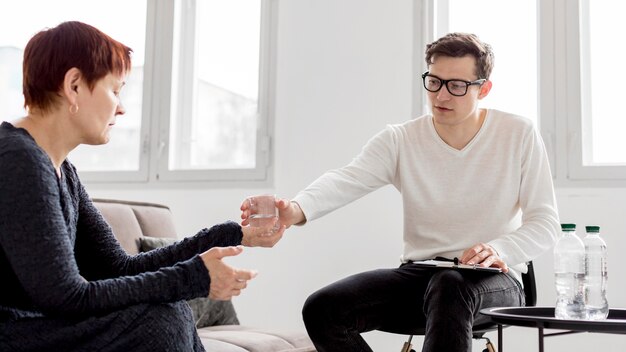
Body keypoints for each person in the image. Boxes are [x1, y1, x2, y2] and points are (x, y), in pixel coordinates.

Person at [241, 32, 560, 351]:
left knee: (451, 285)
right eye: (434, 82)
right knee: (322, 309)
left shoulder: (518, 133)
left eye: (457, 86)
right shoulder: (401, 139)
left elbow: (546, 223)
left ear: (484, 89)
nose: (441, 96)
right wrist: (294, 210)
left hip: (493, 280)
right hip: (422, 274)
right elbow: (346, 179)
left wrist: (499, 249)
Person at [0, 21, 285, 352]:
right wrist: (194, 278)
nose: (121, 107)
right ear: (74, 85)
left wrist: (235, 234)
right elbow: (67, 297)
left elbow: (122, 267)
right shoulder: (17, 160)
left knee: (169, 309)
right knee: (161, 320)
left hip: (40, 328)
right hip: (14, 332)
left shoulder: (62, 170)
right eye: (115, 90)